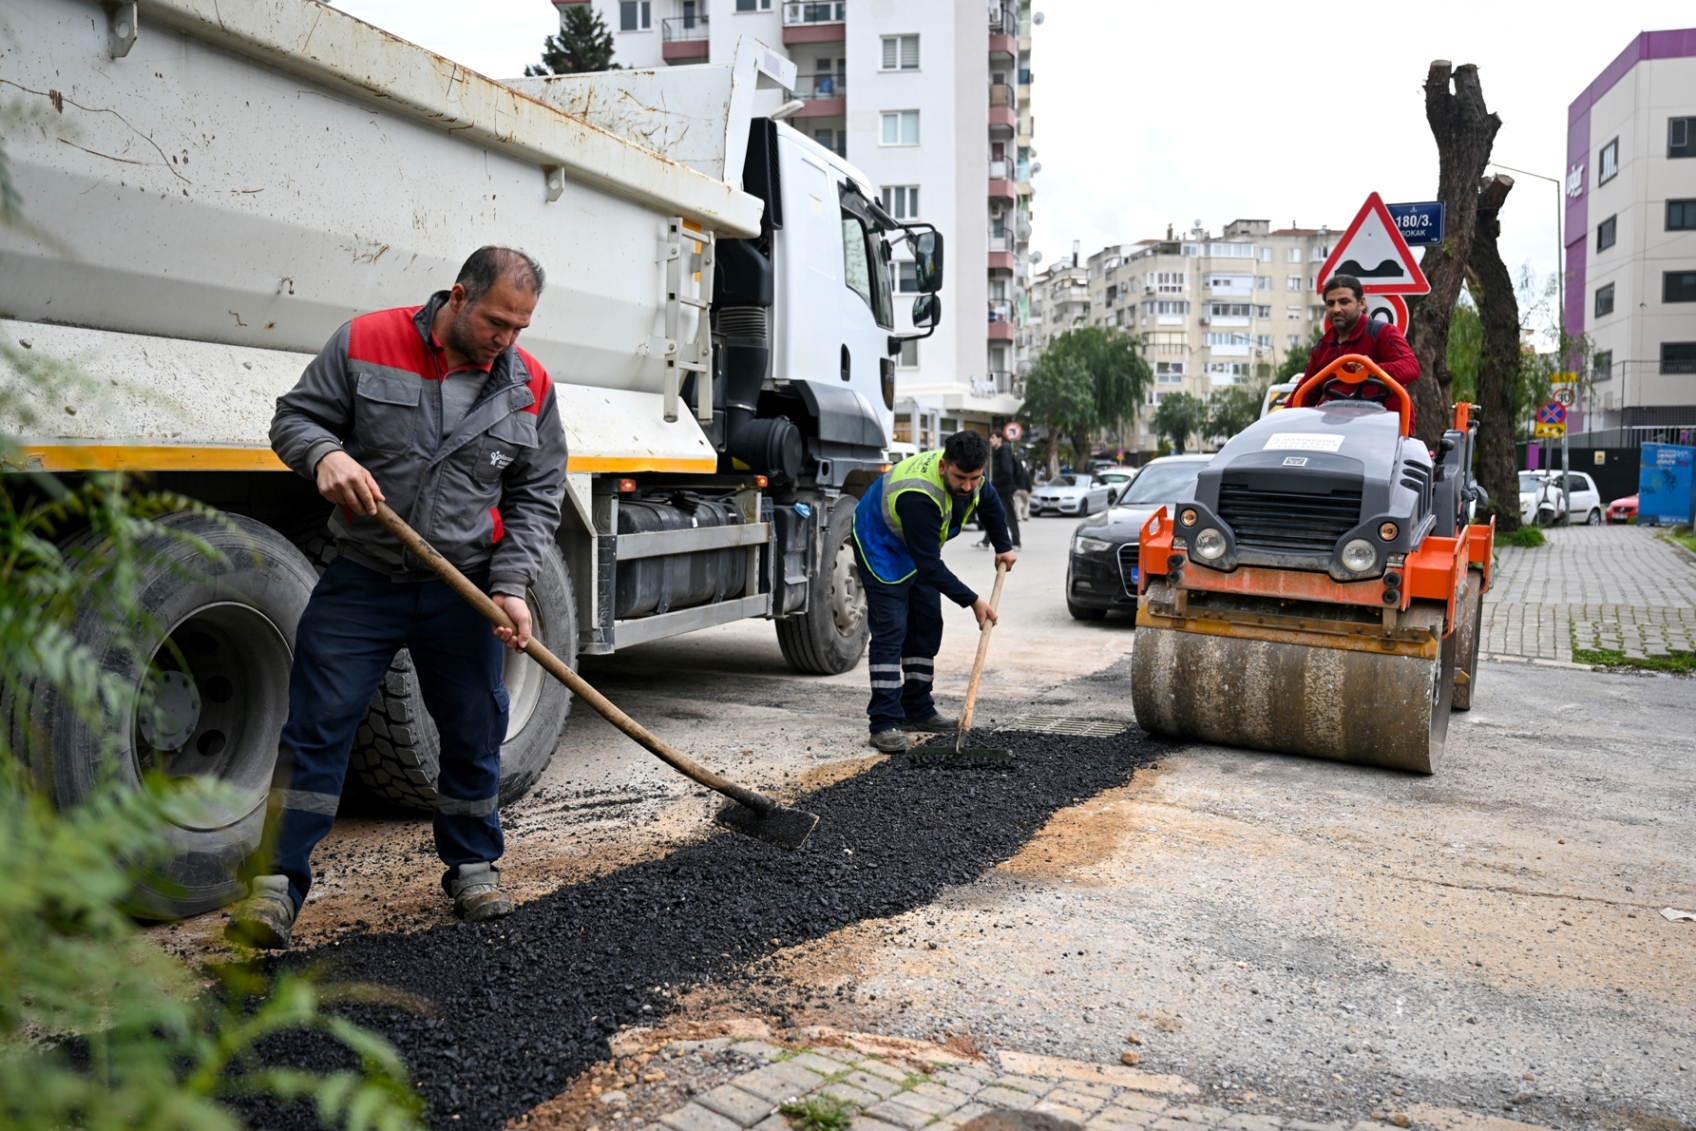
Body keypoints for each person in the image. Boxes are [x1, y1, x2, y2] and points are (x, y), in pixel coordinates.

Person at [229, 247, 567, 949]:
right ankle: (275, 885)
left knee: (474, 728)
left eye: (520, 327)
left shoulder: (529, 384)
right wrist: (324, 454)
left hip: (463, 590)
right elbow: (295, 420)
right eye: (497, 321)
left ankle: (473, 867)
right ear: (459, 296)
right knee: (316, 727)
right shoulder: (367, 340)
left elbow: (537, 495)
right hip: (365, 577)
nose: (506, 339)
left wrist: (510, 585)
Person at [852, 432, 1017, 754]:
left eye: (974, 478)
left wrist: (1003, 546)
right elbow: (929, 566)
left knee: (926, 623)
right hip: (881, 545)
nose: (967, 486)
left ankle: (918, 709)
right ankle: (885, 722)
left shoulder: (974, 479)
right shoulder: (918, 496)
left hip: (917, 546)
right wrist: (973, 601)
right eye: (960, 478)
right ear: (943, 467)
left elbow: (990, 503)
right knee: (891, 632)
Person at [1304, 274, 1422, 424]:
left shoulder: (1382, 333)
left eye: (1344, 302)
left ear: (1361, 303)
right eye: (1330, 303)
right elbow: (1305, 393)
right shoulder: (1322, 346)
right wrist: (1283, 423)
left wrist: (1374, 370)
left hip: (1384, 424)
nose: (1336, 309)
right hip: (1334, 424)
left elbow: (1411, 367)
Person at [977, 430, 1023, 550]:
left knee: (1008, 516)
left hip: (1004, 489)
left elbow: (1007, 473)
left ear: (1000, 439)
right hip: (1001, 489)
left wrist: (994, 484)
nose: (990, 440)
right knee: (995, 515)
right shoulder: (999, 453)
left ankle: (1016, 542)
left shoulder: (1004, 452)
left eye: (993, 437)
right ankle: (986, 541)